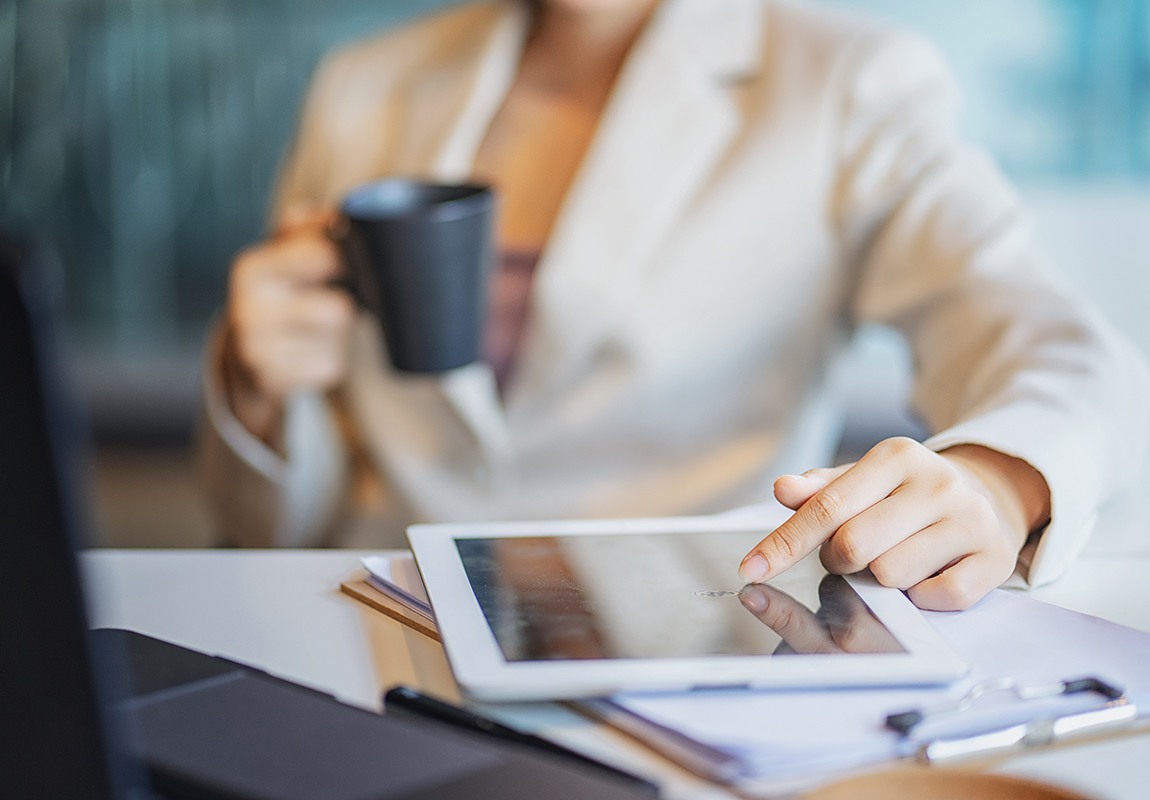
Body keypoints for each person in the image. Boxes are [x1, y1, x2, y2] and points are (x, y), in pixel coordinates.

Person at [198, 0, 1148, 611]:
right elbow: (260, 528)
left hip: (687, 645)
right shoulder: (364, 86)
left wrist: (996, 479)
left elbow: (1067, 354)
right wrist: (253, 391)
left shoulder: (846, 84)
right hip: (371, 621)